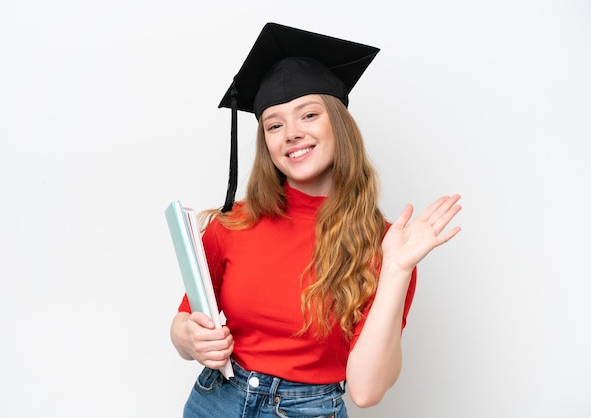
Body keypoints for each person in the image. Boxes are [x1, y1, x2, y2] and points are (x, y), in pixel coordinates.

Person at [170, 22, 462, 417]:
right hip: (214, 401)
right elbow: (184, 321)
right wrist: (190, 338)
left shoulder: (388, 248)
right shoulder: (232, 225)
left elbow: (366, 391)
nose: (291, 133)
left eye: (308, 115)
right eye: (274, 124)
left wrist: (396, 269)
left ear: (338, 126)